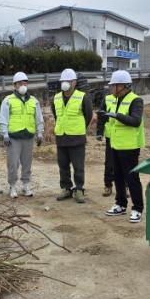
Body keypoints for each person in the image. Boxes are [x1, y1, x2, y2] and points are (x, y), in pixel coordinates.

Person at [102, 71, 145, 223]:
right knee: (118, 176)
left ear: (123, 86)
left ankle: (137, 208)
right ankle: (120, 204)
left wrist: (116, 116)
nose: (112, 88)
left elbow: (136, 121)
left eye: (114, 85)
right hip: (115, 144)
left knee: (132, 178)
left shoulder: (136, 100)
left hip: (130, 147)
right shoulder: (115, 100)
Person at [0, 71, 44, 198]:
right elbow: (3, 119)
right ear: (14, 86)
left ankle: (26, 185)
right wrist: (5, 134)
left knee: (27, 163)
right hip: (13, 138)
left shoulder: (34, 101)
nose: (23, 85)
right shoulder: (8, 100)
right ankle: (12, 186)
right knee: (13, 163)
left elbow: (38, 118)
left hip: (28, 137)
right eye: (20, 83)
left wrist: (40, 133)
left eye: (25, 83)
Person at [51, 68, 93, 203]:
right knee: (63, 165)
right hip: (61, 137)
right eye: (63, 81)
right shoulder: (56, 98)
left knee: (78, 166)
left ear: (74, 82)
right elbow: (56, 115)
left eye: (68, 81)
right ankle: (66, 188)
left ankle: (79, 189)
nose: (65, 83)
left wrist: (79, 127)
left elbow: (88, 115)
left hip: (76, 138)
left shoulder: (82, 97)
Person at [96, 91, 117, 196]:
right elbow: (101, 117)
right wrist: (99, 132)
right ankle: (108, 185)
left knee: (124, 164)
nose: (114, 88)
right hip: (111, 137)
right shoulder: (107, 99)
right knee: (109, 163)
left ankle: (124, 186)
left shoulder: (130, 99)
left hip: (125, 138)